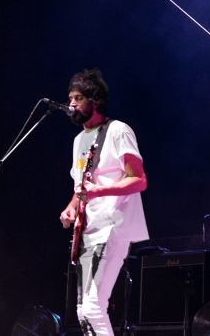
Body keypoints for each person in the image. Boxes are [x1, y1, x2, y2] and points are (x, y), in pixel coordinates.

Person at [59, 68, 148, 336]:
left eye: (78, 98)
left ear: (95, 101)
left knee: (92, 308)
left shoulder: (117, 130)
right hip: (88, 230)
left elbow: (139, 180)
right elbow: (81, 186)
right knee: (83, 311)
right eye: (70, 98)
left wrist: (99, 192)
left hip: (113, 227)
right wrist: (71, 208)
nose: (71, 104)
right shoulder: (78, 140)